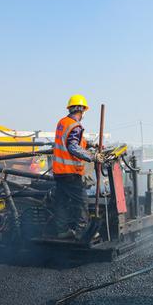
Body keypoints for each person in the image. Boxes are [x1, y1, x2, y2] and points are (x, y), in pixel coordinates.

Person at [52, 94, 104, 239]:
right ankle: (82, 232)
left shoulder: (62, 122)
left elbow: (70, 139)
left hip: (59, 171)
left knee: (61, 202)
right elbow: (73, 146)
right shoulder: (76, 126)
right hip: (70, 172)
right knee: (81, 201)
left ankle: (62, 231)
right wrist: (92, 156)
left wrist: (90, 144)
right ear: (81, 110)